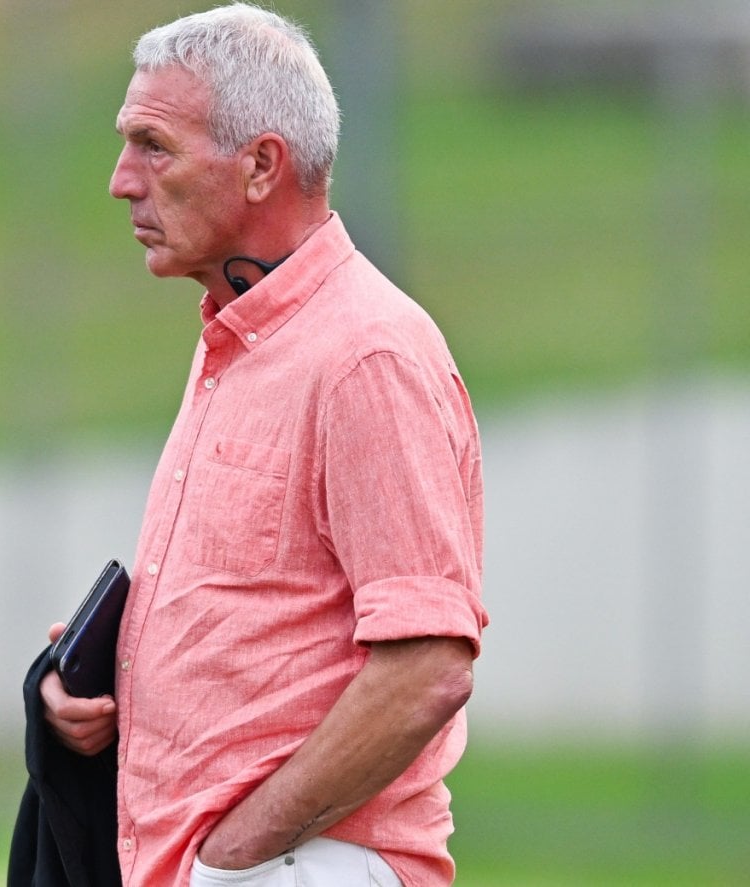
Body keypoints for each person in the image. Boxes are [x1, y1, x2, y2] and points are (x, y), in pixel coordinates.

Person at [39, 4, 488, 885]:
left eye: (153, 146)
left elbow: (428, 665)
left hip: (297, 865)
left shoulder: (365, 354)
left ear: (260, 167)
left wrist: (237, 856)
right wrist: (108, 689)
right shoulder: (241, 343)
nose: (121, 180)